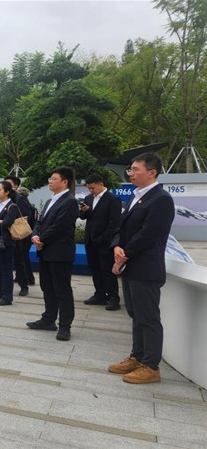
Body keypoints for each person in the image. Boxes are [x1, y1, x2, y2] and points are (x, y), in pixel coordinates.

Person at [108, 152, 174, 384]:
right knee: (135, 314)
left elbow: (149, 234)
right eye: (131, 169)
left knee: (148, 317)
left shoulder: (161, 199)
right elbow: (121, 227)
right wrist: (117, 246)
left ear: (152, 172)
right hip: (131, 267)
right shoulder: (135, 197)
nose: (131, 173)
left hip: (146, 269)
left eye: (135, 169)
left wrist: (124, 254)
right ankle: (137, 357)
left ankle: (151, 366)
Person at [27, 167, 79, 341]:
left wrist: (41, 239)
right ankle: (48, 319)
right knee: (47, 287)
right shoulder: (51, 201)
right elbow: (40, 222)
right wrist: (35, 235)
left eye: (54, 179)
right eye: (49, 178)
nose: (50, 181)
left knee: (62, 290)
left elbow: (60, 226)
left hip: (60, 253)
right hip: (46, 251)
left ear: (65, 182)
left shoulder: (70, 202)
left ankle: (65, 325)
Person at [79, 173, 122, 311]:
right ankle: (100, 295)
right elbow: (84, 217)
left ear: (101, 184)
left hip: (104, 241)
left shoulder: (113, 199)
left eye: (92, 188)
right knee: (95, 269)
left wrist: (104, 238)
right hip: (90, 240)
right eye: (88, 188)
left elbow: (114, 223)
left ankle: (113, 297)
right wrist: (84, 211)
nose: (91, 191)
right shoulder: (88, 198)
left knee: (107, 270)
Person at [4, 175, 35, 295]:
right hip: (7, 234)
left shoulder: (20, 199)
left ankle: (24, 285)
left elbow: (25, 217)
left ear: (15, 186)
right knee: (7, 261)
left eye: (8, 184)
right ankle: (4, 285)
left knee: (20, 260)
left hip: (19, 234)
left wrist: (8, 220)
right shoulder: (4, 199)